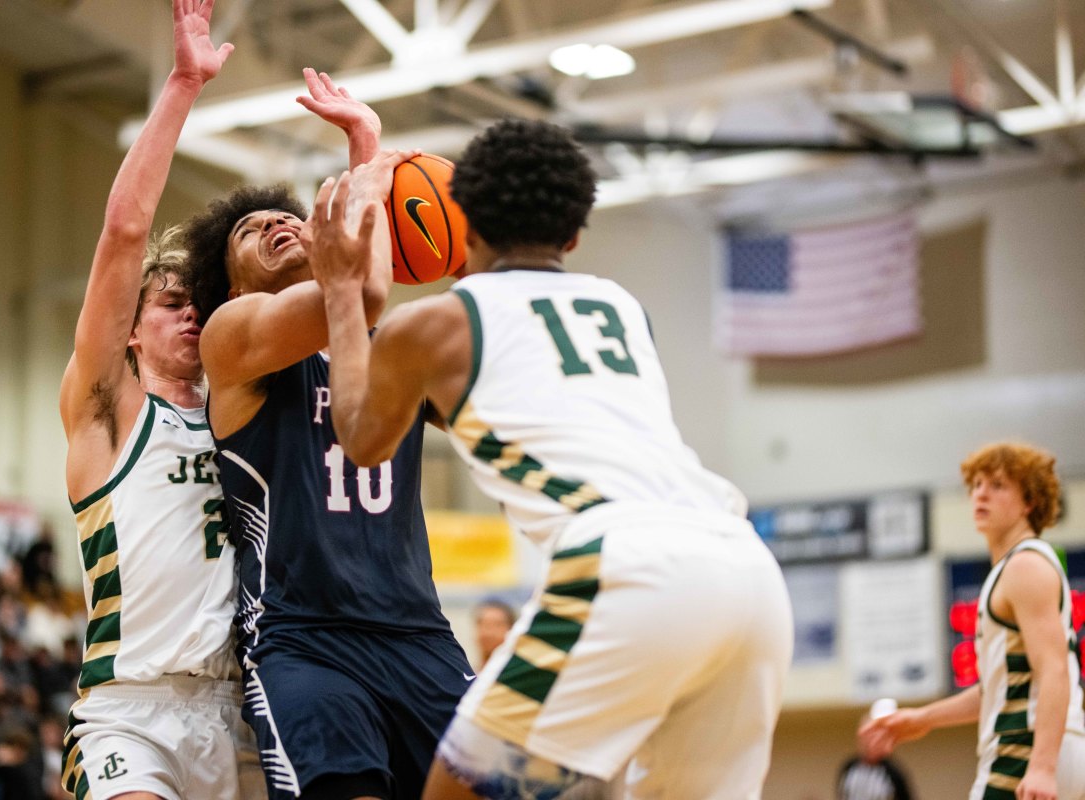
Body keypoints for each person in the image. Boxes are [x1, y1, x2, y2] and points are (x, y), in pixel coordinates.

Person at [304, 118, 795, 799]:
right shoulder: (622, 308)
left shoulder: (437, 324)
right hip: (747, 572)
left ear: (463, 220)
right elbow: (518, 403)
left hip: (629, 564)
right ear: (572, 235)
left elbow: (360, 438)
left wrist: (339, 289)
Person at [181, 91, 472, 800]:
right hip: (307, 641)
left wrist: (473, 259)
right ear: (229, 280)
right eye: (250, 229)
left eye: (285, 216)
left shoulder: (386, 348)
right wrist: (368, 159)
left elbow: (474, 398)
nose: (276, 222)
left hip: (419, 633)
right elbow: (359, 294)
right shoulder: (233, 338)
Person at [56, 2, 261, 798]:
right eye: (169, 302)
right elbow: (124, 234)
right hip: (131, 710)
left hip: (239, 706)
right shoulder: (110, 413)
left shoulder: (244, 417)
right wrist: (182, 85)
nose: (189, 313)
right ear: (130, 334)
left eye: (198, 304)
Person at [860, 442, 1085, 800]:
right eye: (977, 484)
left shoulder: (1024, 565)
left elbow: (1054, 669)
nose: (981, 494)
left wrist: (1041, 766)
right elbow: (999, 688)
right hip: (1054, 748)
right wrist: (923, 718)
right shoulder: (1015, 568)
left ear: (1029, 501)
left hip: (1025, 751)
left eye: (997, 485)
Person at [837, 716, 915, 800]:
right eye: (865, 736)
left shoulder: (893, 772)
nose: (868, 741)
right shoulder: (849, 767)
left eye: (873, 736)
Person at [472, 598, 516, 671]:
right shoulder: (466, 677)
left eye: (497, 625)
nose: (488, 632)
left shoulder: (515, 676)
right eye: (483, 624)